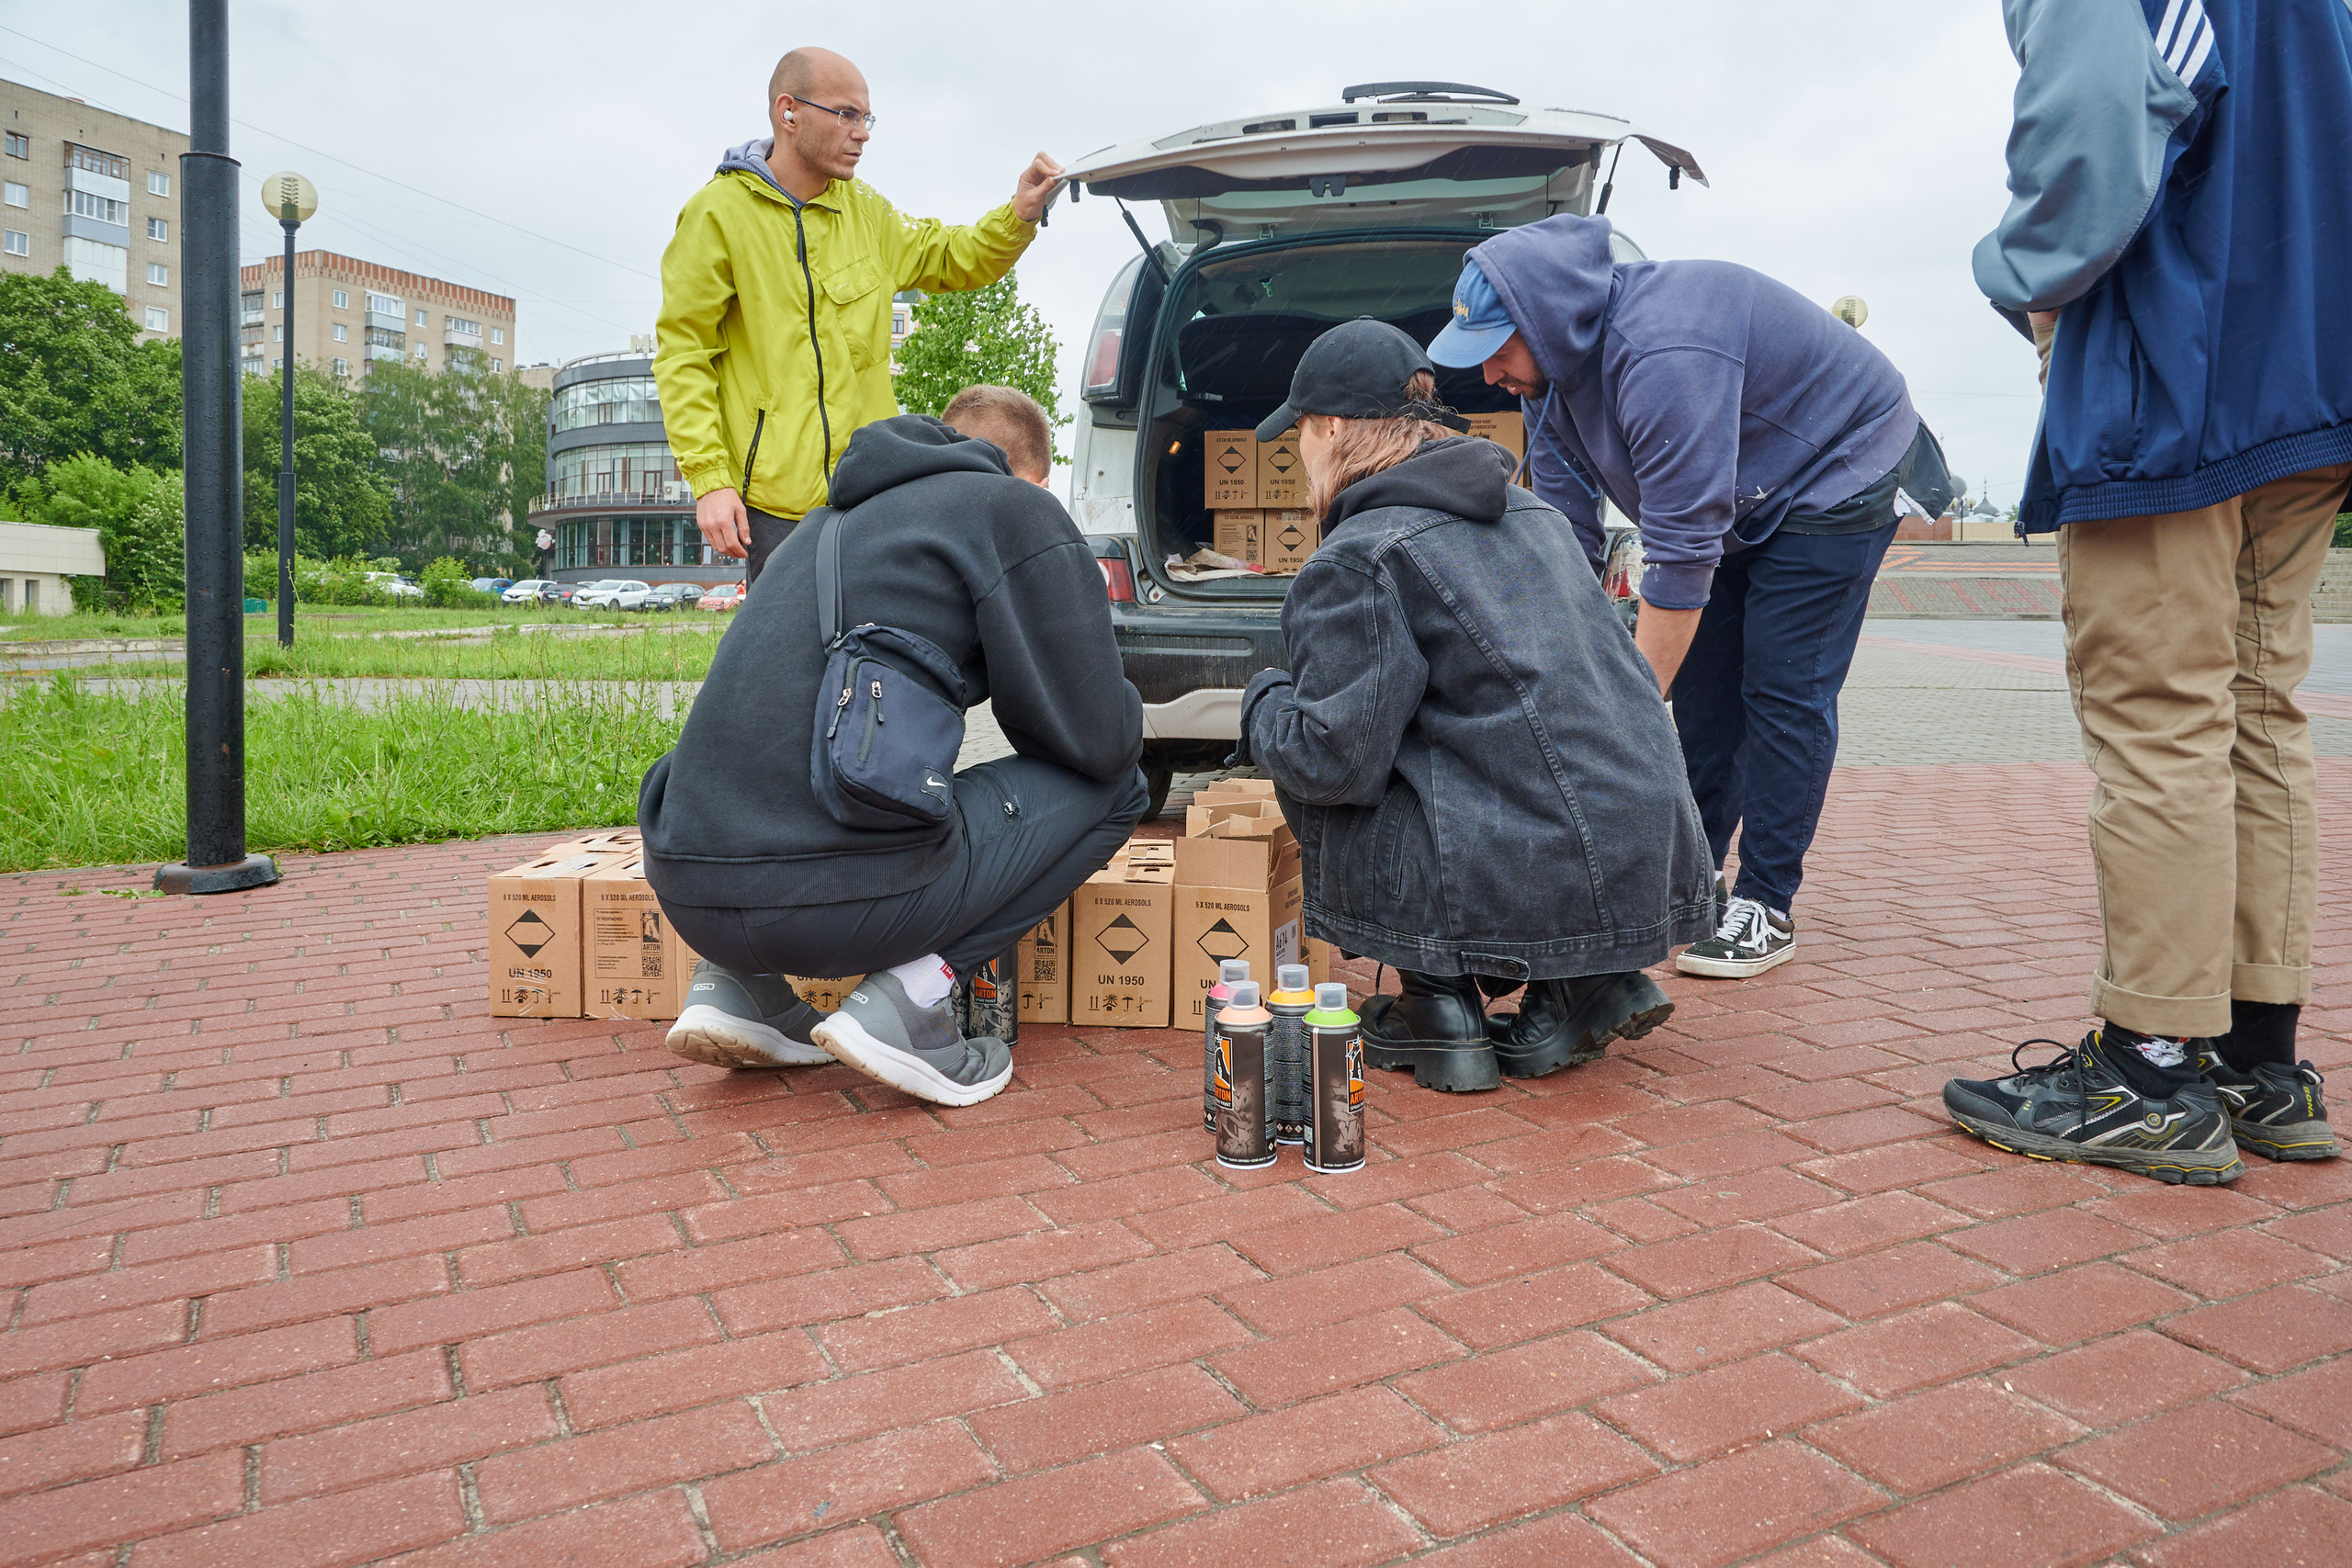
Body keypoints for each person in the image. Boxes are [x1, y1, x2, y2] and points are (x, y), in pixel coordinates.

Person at [1941, 0, 2350, 1184]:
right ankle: (2260, 1064)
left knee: (2161, 711)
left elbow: (2093, 115)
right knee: (2263, 711)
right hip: (2312, 364)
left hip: (2178, 357)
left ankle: (2151, 1069)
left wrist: (2026, 280)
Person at [1429, 216, 1950, 981]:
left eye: (1497, 350)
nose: (1488, 376)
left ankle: (1767, 901)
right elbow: (1566, 537)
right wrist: (1557, 670)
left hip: (1838, 470)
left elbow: (1679, 553)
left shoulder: (1661, 352)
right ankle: (1690, 870)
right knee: (1705, 698)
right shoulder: (1548, 381)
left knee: (1780, 687)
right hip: (1741, 498)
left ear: (1546, 320)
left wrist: (1624, 714)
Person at [1234, 320, 1717, 1092]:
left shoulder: (1358, 556)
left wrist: (1263, 701)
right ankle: (1585, 979)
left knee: (1312, 755)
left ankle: (1443, 1010)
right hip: (1650, 850)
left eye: (1298, 435)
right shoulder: (1539, 518)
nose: (1297, 454)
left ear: (1327, 427)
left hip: (1538, 863)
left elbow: (1334, 760)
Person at [638, 398, 1147, 1108]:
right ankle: (911, 1000)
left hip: (687, 889)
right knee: (1120, 788)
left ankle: (739, 988)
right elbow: (1096, 741)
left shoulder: (823, 524)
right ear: (1026, 476)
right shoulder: (1010, 507)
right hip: (834, 904)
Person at [654, 47, 1065, 590]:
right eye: (846, 114)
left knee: (879, 655)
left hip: (874, 493)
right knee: (793, 665)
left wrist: (1018, 215)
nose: (863, 132)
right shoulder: (717, 215)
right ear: (789, 112)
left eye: (866, 117)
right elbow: (684, 354)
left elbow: (951, 254)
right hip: (778, 510)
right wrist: (709, 482)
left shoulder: (865, 211)